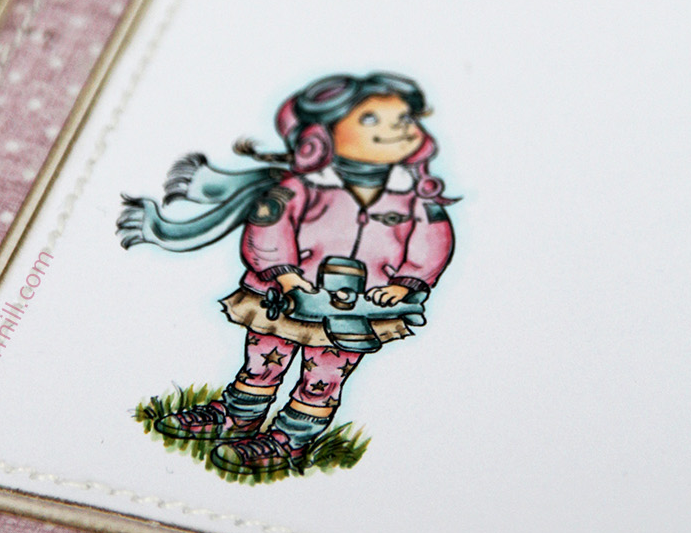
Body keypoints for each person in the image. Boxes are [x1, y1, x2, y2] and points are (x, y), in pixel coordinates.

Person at [117, 71, 455, 475]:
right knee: (263, 362)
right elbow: (268, 230)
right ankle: (236, 417)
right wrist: (288, 278)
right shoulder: (301, 186)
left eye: (404, 119)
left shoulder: (414, 198)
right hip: (283, 299)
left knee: (325, 376)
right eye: (370, 119)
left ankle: (290, 439)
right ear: (321, 134)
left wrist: (404, 286)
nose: (396, 128)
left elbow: (432, 244)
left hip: (359, 310)